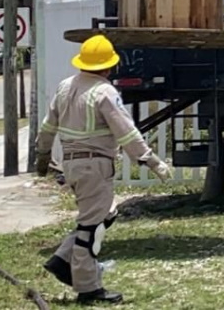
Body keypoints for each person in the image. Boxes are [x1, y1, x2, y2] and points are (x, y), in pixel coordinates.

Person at [34, 35, 172, 305]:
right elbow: (126, 132)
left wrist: (42, 155)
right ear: (109, 67)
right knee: (91, 227)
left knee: (105, 213)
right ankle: (88, 287)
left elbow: (48, 127)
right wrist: (152, 161)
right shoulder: (104, 92)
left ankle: (63, 258)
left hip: (72, 164)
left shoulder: (65, 87)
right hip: (95, 165)